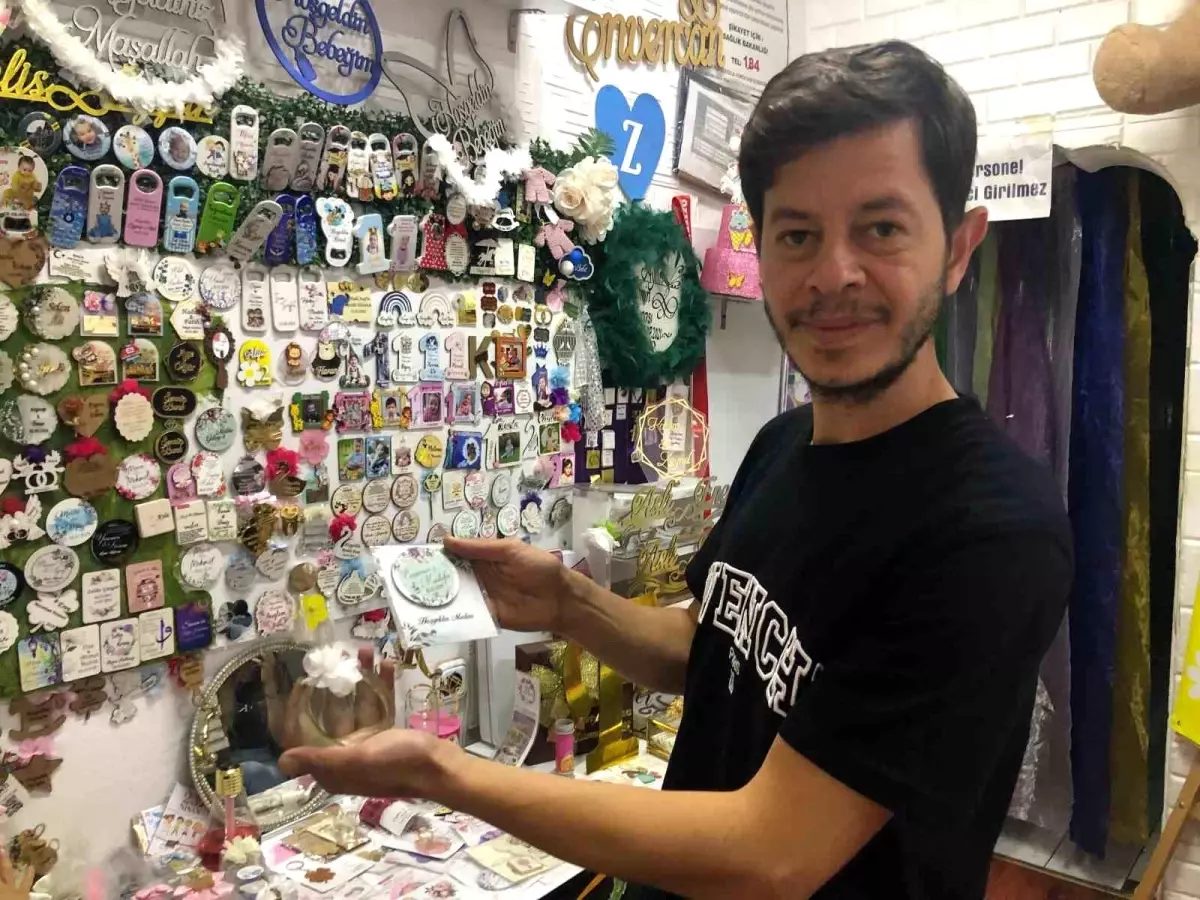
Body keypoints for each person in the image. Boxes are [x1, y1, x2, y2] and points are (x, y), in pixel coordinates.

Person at [281, 41, 1072, 898]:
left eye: (881, 229)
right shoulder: (784, 445)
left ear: (957, 249)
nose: (834, 274)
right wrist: (567, 601)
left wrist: (444, 773)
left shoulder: (987, 530)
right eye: (797, 234)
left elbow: (773, 854)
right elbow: (707, 650)